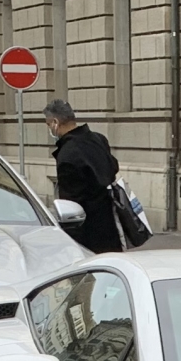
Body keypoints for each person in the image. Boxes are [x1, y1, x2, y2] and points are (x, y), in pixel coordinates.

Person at [46, 98, 124, 252]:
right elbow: (112, 167)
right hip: (109, 223)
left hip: (86, 232)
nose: (49, 129)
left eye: (48, 124)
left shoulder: (67, 154)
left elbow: (71, 202)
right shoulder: (98, 139)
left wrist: (70, 241)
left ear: (55, 122)